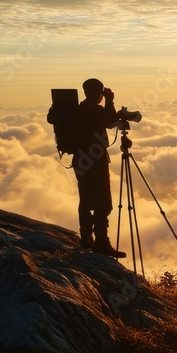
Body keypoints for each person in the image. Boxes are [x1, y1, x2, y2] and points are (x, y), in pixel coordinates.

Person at [50, 78, 126, 258]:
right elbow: (111, 121)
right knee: (103, 201)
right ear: (99, 93)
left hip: (80, 159)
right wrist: (110, 100)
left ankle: (86, 238)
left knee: (85, 198)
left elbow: (52, 119)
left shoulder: (75, 110)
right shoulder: (96, 110)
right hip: (95, 159)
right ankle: (101, 242)